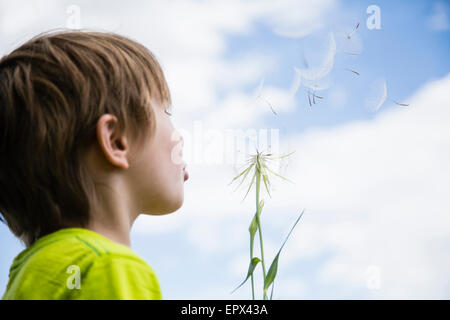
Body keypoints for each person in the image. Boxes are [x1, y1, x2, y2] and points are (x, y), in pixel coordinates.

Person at [0, 30, 189, 299]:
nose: (179, 135)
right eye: (165, 111)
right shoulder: (108, 267)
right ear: (115, 141)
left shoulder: (29, 275)